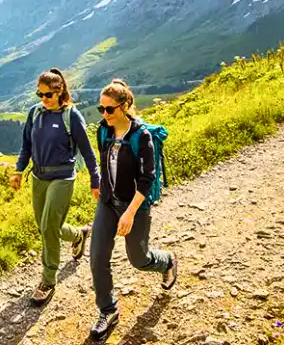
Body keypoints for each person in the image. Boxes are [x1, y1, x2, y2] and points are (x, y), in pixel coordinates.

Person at [87, 79, 177, 343]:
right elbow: (106, 165)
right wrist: (101, 189)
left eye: (109, 109)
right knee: (96, 259)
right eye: (100, 109)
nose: (104, 115)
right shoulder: (103, 131)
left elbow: (147, 179)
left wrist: (129, 213)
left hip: (135, 206)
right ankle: (108, 310)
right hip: (108, 203)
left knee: (138, 259)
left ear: (124, 106)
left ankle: (167, 261)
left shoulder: (142, 136)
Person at [11, 67, 100, 305]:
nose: (43, 99)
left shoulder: (71, 116)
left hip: (62, 178)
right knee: (45, 226)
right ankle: (78, 235)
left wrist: (95, 179)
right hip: (39, 178)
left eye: (47, 95)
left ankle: (48, 280)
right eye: (39, 94)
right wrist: (18, 171)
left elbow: (87, 151)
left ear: (59, 92)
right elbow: (26, 146)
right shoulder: (35, 113)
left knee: (49, 226)